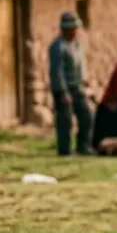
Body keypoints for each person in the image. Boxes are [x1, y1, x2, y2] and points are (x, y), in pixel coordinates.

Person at [48, 11, 93, 155]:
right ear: (65, 29)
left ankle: (83, 145)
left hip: (77, 87)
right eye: (72, 28)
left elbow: (81, 65)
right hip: (64, 89)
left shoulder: (77, 45)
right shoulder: (57, 46)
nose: (75, 31)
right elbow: (57, 71)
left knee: (86, 116)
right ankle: (64, 149)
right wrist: (62, 92)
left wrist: (85, 81)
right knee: (65, 121)